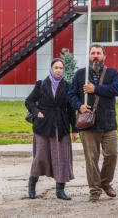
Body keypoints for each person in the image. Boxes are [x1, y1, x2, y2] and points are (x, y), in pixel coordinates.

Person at [68, 44, 118, 201]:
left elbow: (116, 89)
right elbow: (71, 95)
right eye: (93, 53)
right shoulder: (80, 74)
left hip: (109, 122)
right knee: (91, 159)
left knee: (112, 154)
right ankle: (95, 190)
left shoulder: (112, 73)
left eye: (98, 53)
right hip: (88, 123)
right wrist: (80, 106)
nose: (96, 55)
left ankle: (105, 182)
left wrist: (95, 89)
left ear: (104, 56)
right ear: (89, 56)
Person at [25, 58, 78, 200]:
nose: (58, 70)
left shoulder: (68, 86)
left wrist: (75, 129)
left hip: (61, 126)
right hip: (43, 126)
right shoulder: (41, 84)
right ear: (51, 68)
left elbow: (71, 109)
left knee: (61, 157)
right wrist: (37, 112)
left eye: (61, 68)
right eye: (56, 67)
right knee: (40, 157)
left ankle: (60, 190)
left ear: (63, 70)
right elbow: (29, 101)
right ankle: (31, 187)